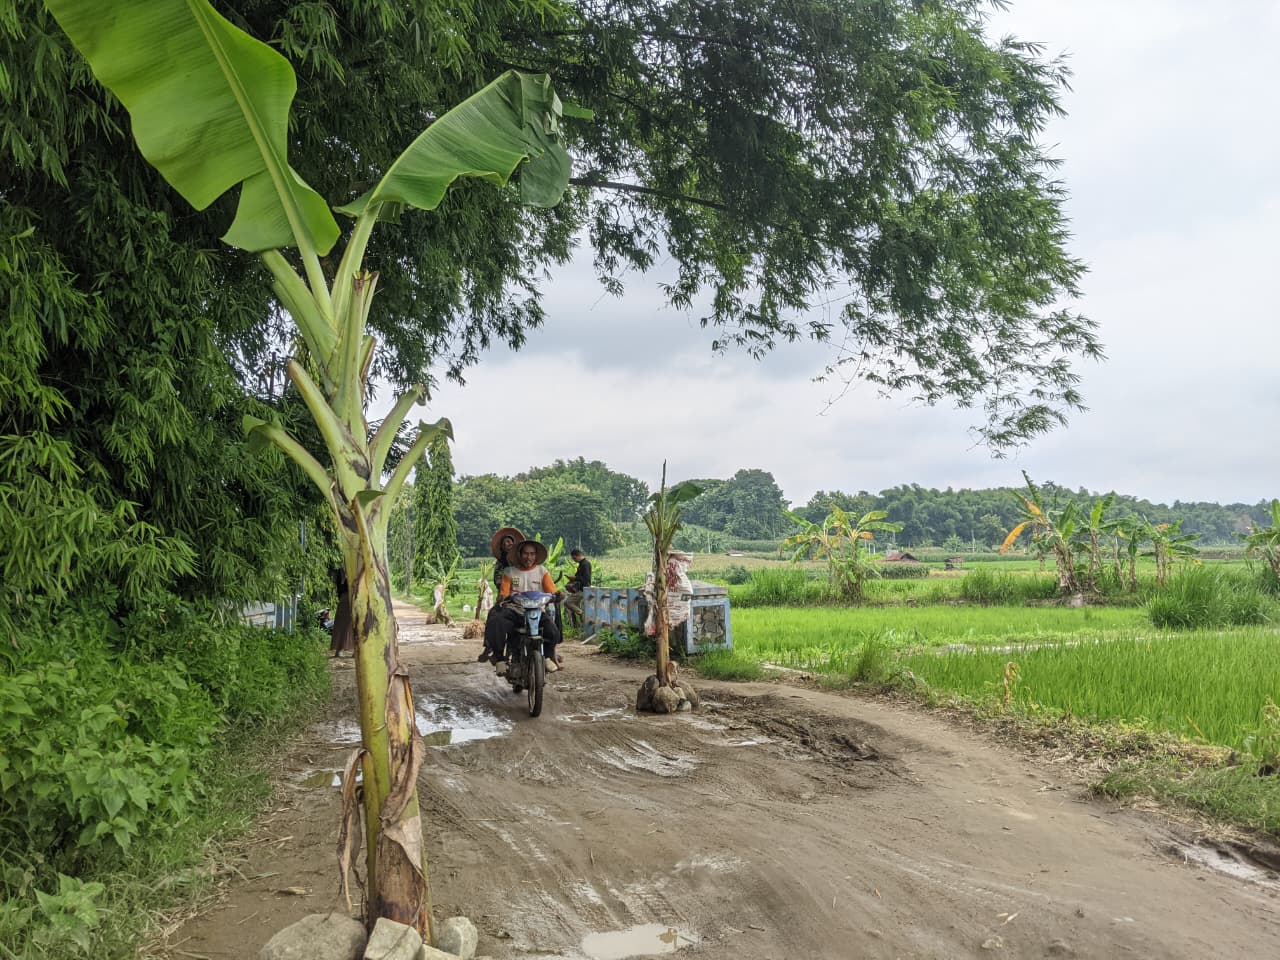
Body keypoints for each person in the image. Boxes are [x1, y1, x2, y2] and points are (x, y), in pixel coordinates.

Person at [484, 539, 564, 672]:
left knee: (553, 631)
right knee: (497, 622)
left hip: (536, 610)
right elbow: (504, 592)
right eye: (526, 554)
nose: (529, 557)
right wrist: (503, 597)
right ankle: (500, 659)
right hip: (514, 610)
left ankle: (548, 657)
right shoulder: (509, 572)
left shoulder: (542, 571)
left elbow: (552, 591)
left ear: (536, 556)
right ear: (519, 555)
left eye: (532, 554)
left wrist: (558, 595)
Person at [477, 526, 524, 662]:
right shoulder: (501, 564)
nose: (509, 544)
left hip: (526, 597)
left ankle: (550, 651)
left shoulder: (523, 561)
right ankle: (490, 647)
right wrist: (507, 583)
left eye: (511, 542)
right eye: (506, 542)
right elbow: (498, 581)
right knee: (493, 616)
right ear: (502, 547)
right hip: (506, 598)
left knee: (550, 612)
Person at [562, 548, 592, 629]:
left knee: (567, 602)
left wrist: (575, 578)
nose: (574, 560)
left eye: (574, 558)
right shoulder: (582, 564)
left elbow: (586, 579)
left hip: (583, 589)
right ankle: (579, 627)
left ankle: (582, 613)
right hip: (580, 589)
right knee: (574, 606)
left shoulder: (585, 564)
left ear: (578, 555)